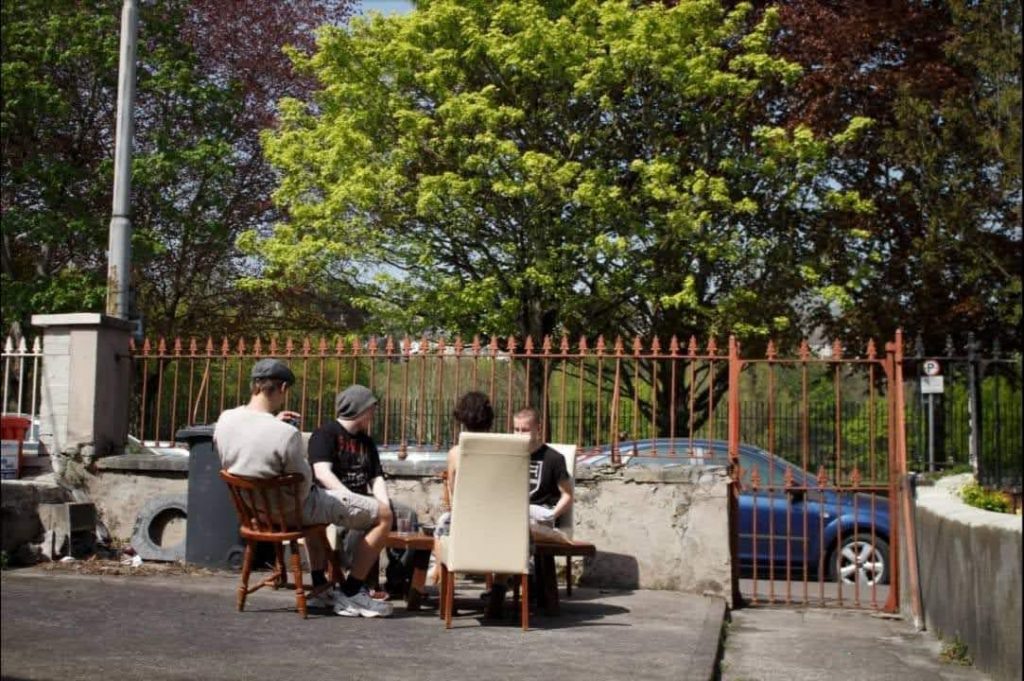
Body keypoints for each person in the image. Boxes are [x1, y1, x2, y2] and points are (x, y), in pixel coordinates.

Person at [214, 360, 393, 618]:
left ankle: (321, 585)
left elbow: (237, 452)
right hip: (293, 513)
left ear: (254, 384)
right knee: (384, 515)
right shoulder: (285, 433)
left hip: (254, 513)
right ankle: (352, 591)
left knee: (320, 507)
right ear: (283, 387)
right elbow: (305, 482)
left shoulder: (225, 419)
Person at [306, 384, 416, 601]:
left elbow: (376, 477)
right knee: (366, 520)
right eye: (372, 408)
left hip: (363, 499)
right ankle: (357, 583)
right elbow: (322, 473)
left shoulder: (366, 441)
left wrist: (383, 504)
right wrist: (352, 500)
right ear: (361, 409)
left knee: (408, 516)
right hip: (333, 500)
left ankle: (395, 580)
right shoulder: (325, 434)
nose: (374, 413)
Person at [513, 407, 574, 529]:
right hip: (516, 513)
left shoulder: (554, 458)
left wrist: (551, 516)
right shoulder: (510, 456)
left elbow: (567, 495)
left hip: (542, 516)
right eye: (516, 429)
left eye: (525, 430)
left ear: (539, 429)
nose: (519, 435)